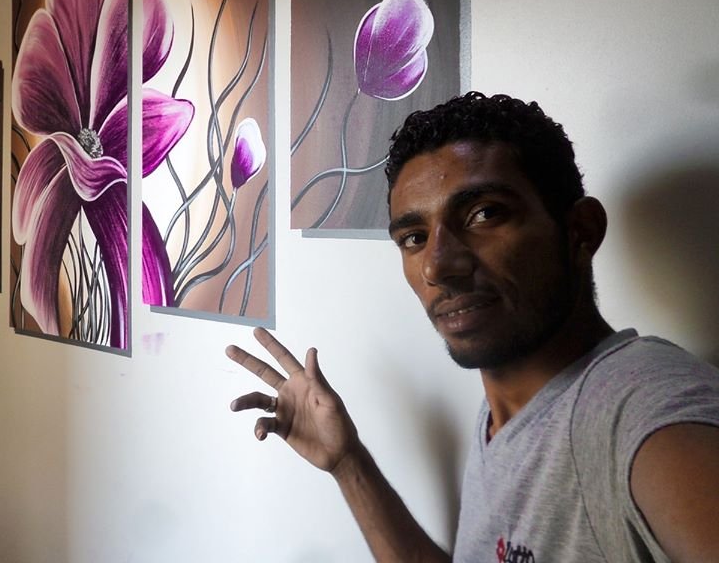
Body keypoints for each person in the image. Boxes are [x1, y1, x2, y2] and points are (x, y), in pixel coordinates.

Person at [226, 92, 719, 562]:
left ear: (580, 232)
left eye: (484, 214)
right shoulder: (506, 411)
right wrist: (347, 462)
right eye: (414, 237)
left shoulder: (641, 412)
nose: (438, 265)